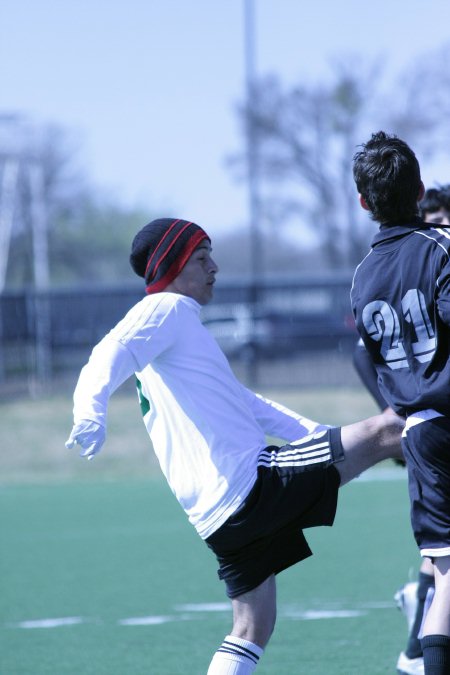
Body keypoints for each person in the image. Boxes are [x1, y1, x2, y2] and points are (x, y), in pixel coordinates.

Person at [66, 217, 404, 674]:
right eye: (202, 259)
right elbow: (106, 355)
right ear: (172, 267)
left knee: (252, 625)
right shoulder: (163, 309)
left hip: (217, 516)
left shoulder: (178, 330)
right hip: (252, 486)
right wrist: (90, 412)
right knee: (393, 428)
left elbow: (247, 403)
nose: (214, 267)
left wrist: (315, 434)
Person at [351, 132, 450, 675]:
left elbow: (370, 356)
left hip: (418, 433)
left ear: (363, 202)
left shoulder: (362, 277)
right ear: (418, 189)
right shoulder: (441, 248)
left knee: (445, 576)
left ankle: (416, 655)